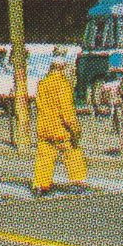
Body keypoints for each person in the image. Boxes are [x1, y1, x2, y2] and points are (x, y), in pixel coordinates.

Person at [33, 57, 89, 196]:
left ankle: (41, 185)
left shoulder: (42, 83)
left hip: (44, 128)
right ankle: (77, 182)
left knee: (44, 157)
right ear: (62, 68)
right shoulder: (63, 85)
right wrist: (76, 129)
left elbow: (39, 106)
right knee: (73, 153)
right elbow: (67, 113)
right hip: (61, 130)